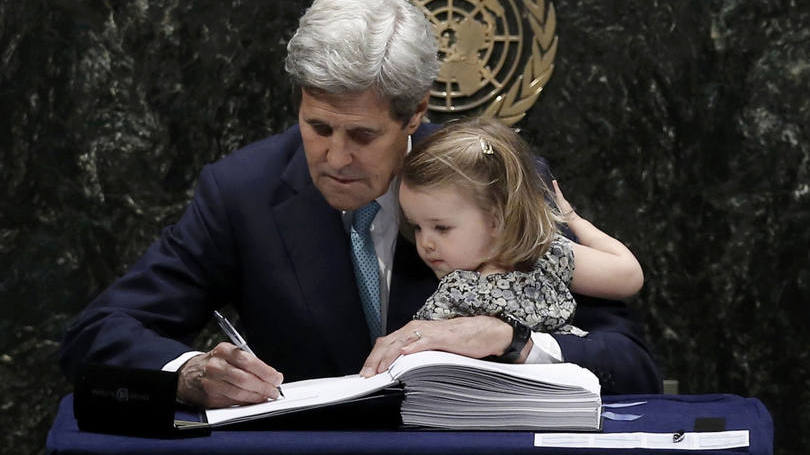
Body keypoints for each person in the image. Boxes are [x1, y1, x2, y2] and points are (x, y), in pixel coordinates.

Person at [59, 0, 661, 410]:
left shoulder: (494, 179)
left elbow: (632, 366)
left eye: (363, 135)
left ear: (416, 113)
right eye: (318, 127)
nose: (335, 157)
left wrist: (514, 342)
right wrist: (190, 373)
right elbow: (99, 332)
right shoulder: (241, 192)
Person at [398, 117, 643, 343]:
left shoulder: (545, 255)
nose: (425, 243)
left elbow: (628, 276)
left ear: (496, 220)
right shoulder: (451, 292)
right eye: (417, 227)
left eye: (441, 228)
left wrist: (574, 220)